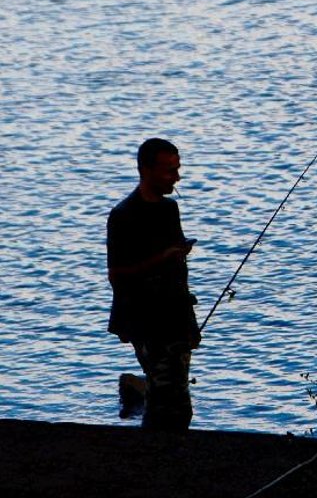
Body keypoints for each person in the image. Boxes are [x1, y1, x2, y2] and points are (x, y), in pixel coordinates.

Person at [107, 138, 200, 431]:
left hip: (175, 314)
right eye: (168, 171)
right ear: (145, 170)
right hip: (145, 319)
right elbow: (117, 275)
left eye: (177, 169)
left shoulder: (169, 210)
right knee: (166, 397)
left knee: (176, 395)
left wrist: (189, 322)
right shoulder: (123, 216)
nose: (176, 177)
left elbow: (177, 271)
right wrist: (161, 258)